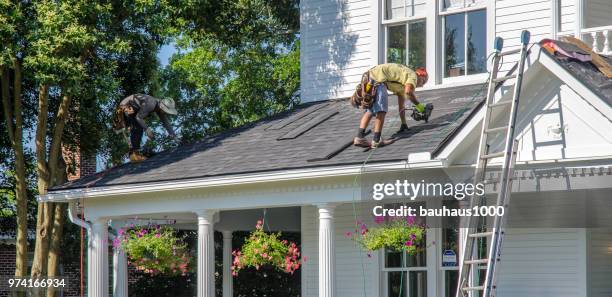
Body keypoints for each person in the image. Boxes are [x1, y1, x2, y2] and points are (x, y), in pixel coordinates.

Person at [350, 63, 432, 148]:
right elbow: (408, 92)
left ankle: (359, 137)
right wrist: (420, 106)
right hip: (378, 81)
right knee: (381, 110)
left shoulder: (402, 82)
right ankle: (376, 140)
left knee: (370, 111)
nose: (422, 85)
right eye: (423, 81)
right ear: (419, 75)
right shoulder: (413, 75)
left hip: (370, 78)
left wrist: (403, 123)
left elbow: (401, 106)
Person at [113, 94, 178, 162]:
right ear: (162, 106)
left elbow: (165, 122)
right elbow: (138, 117)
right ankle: (135, 154)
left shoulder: (158, 106)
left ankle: (137, 151)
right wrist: (147, 129)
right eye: (165, 111)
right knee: (138, 126)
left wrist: (174, 136)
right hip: (124, 106)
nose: (165, 112)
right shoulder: (151, 104)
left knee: (139, 124)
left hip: (134, 108)